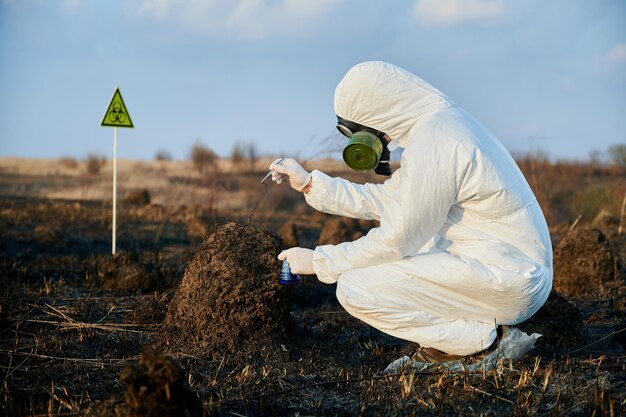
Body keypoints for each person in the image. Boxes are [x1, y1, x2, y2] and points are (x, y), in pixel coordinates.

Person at [270, 61, 552, 360]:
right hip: (506, 268)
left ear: (377, 111)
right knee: (410, 251)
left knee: (356, 287)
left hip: (508, 277)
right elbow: (392, 200)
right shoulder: (439, 128)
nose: (377, 140)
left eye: (361, 130)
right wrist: (309, 184)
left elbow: (397, 239)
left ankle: (483, 342)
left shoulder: (437, 140)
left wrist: (320, 261)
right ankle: (467, 337)